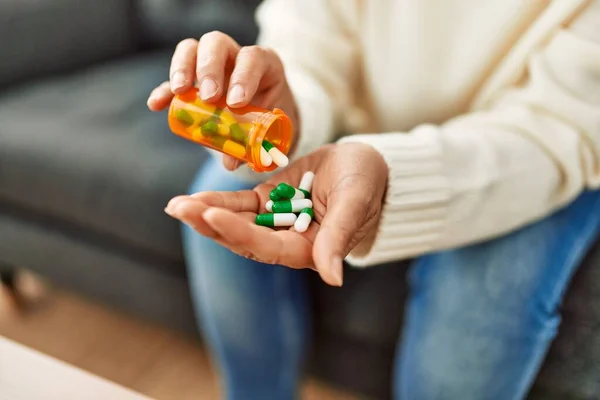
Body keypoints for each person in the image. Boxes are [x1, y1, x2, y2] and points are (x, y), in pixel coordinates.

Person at [148, 0, 600, 398]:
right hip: (369, 126)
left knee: (481, 295)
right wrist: (289, 106)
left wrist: (392, 175)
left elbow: (562, 124)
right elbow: (310, 36)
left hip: (543, 149)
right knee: (219, 205)